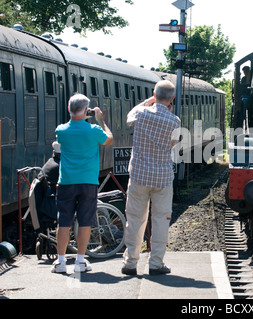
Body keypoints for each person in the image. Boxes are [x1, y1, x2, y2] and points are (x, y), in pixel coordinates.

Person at [122, 80, 181, 276]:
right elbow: (173, 144)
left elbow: (129, 117)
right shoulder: (175, 121)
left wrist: (147, 102)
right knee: (161, 220)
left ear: (154, 95)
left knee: (135, 219)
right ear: (172, 99)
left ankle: (131, 263)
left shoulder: (140, 113)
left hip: (139, 175)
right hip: (162, 178)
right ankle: (156, 264)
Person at [52, 93, 113, 273]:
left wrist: (82, 115)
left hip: (66, 182)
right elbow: (109, 140)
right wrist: (102, 121)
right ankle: (80, 261)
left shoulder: (61, 130)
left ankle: (61, 262)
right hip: (88, 182)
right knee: (85, 222)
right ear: (87, 110)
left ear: (69, 109)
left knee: (63, 222)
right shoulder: (94, 130)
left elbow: (68, 133)